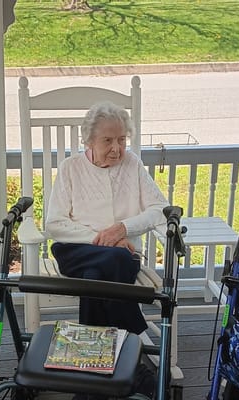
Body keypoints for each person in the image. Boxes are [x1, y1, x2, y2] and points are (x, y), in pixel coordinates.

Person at [45, 101, 169, 336]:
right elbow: (54, 224)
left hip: (123, 256)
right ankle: (134, 335)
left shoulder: (132, 163)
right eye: (108, 140)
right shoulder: (70, 167)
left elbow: (160, 209)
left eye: (122, 140)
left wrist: (123, 228)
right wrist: (105, 239)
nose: (116, 148)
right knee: (117, 257)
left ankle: (94, 350)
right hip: (77, 252)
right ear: (89, 141)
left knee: (95, 277)